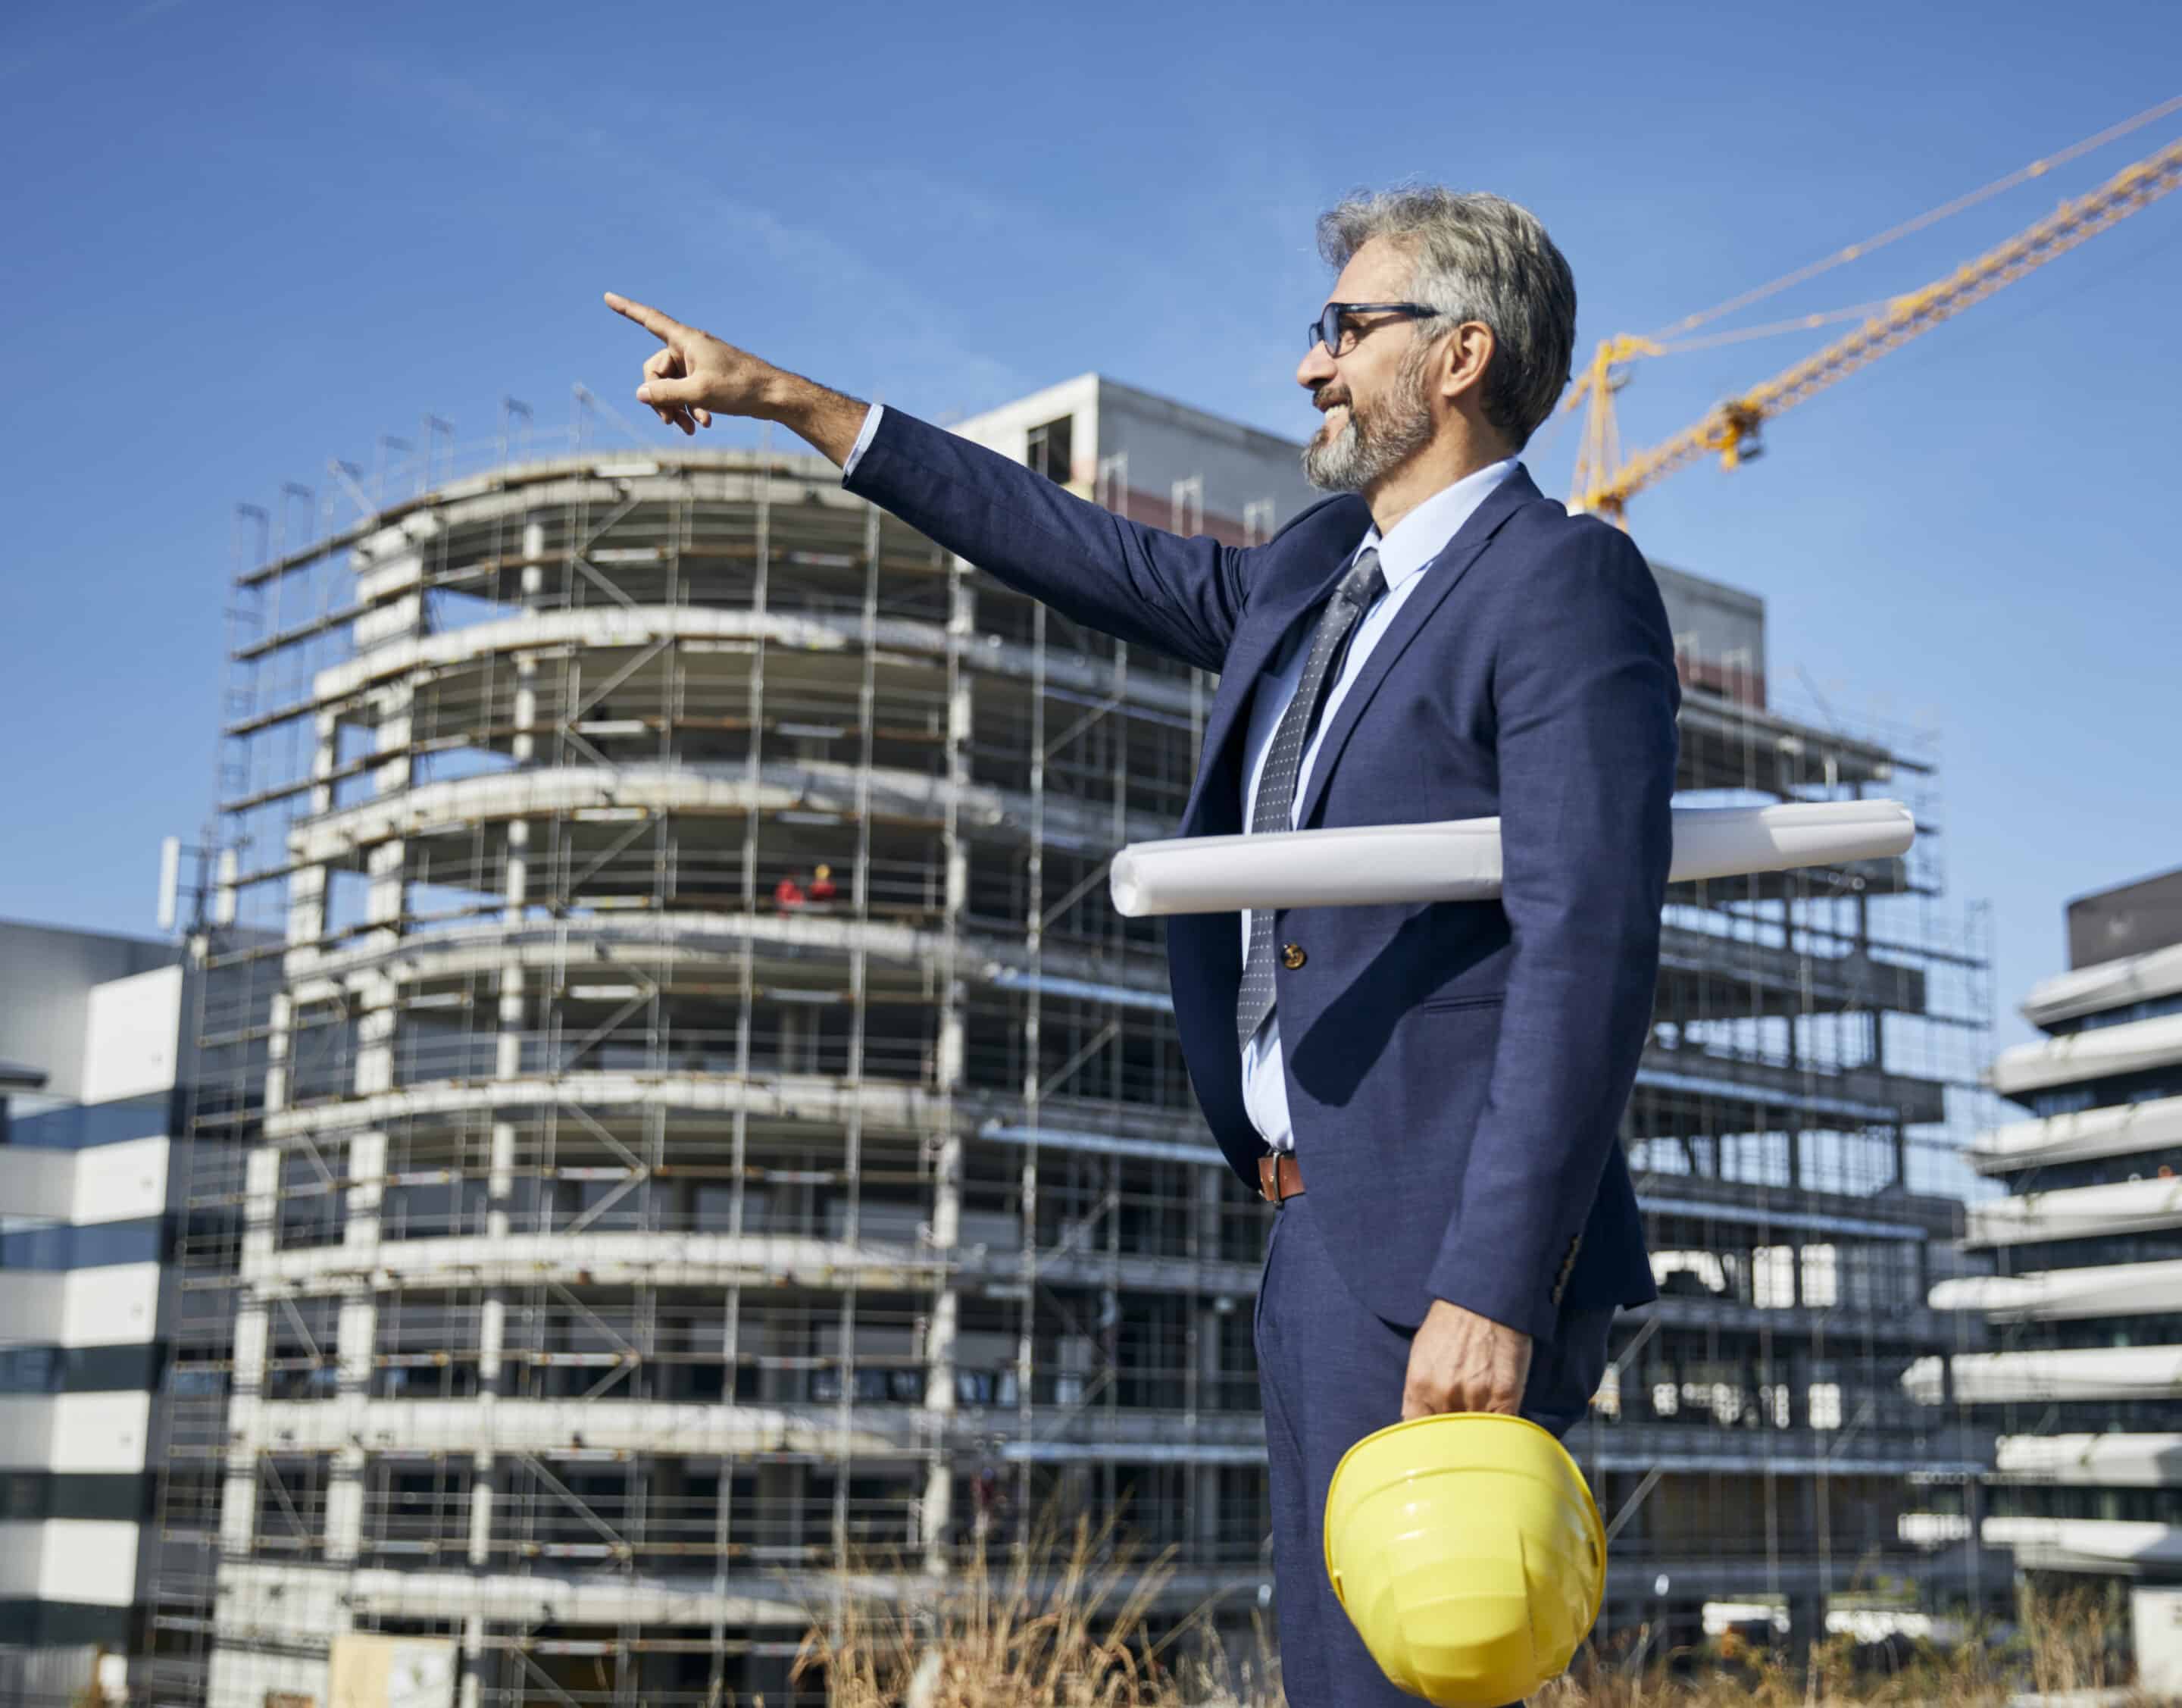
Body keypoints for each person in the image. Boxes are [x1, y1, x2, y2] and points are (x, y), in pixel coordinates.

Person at [605, 186, 1680, 1707]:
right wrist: (798, 404)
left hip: (1446, 1266)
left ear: (1460, 355)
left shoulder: (1562, 580)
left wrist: (1495, 1283)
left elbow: (1591, 949)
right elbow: (1072, 543)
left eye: (1346, 328)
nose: (1312, 365)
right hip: (1312, 1233)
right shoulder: (1312, 576)